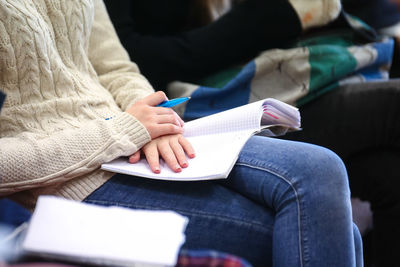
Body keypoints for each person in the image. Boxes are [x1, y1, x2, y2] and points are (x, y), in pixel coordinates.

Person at [0, 1, 362, 266]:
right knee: (333, 233)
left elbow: (114, 65)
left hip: (133, 136)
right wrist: (120, 132)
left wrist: (154, 117)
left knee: (322, 169)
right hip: (72, 176)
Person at [103, 0, 400, 266]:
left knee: (388, 174)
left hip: (260, 78)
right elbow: (130, 59)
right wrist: (276, 17)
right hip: (204, 97)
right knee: (327, 164)